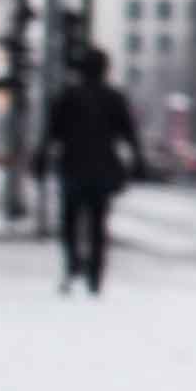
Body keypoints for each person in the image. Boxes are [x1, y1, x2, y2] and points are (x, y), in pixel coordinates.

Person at [44, 43, 145, 295]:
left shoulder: (68, 96)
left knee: (69, 220)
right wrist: (138, 159)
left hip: (72, 168)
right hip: (102, 171)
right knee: (99, 223)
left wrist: (41, 158)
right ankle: (95, 276)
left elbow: (51, 133)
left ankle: (72, 263)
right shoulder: (114, 98)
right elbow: (129, 134)